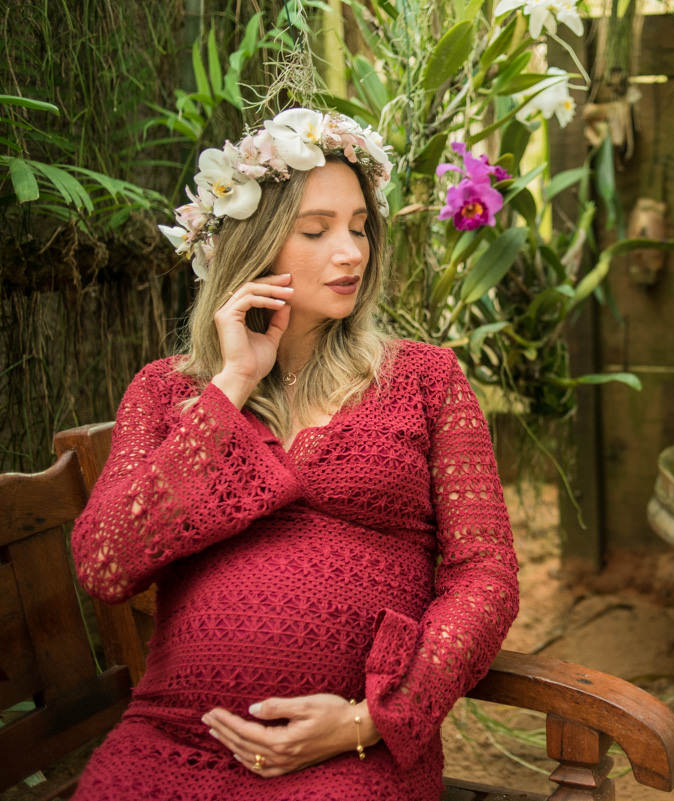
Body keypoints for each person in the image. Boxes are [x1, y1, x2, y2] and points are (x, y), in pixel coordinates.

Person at [69, 108, 520, 800]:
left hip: (348, 754)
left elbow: (484, 575)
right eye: (317, 230)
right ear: (255, 244)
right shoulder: (167, 393)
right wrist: (230, 386)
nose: (352, 252)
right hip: (174, 739)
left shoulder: (425, 380)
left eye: (360, 227)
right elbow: (105, 562)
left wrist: (372, 718)